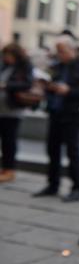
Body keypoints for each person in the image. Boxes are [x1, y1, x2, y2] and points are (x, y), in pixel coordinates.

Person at [32, 33, 79, 201]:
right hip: (55, 111)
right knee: (53, 149)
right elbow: (49, 83)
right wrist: (46, 87)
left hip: (73, 114)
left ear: (72, 50)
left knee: (73, 151)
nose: (60, 54)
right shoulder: (56, 66)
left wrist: (70, 91)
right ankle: (53, 184)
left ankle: (77, 187)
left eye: (62, 51)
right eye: (58, 51)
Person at [0, 43, 34, 183]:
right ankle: (4, 167)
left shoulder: (24, 67)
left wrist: (6, 86)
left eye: (8, 55)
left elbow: (27, 84)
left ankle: (9, 169)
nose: (6, 58)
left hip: (13, 109)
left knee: (9, 140)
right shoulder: (4, 65)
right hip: (1, 108)